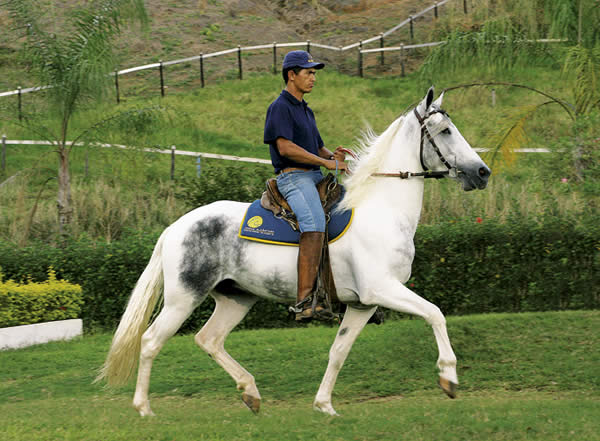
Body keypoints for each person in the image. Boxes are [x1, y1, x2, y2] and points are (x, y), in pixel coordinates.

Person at [263, 50, 347, 321]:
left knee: (347, 214)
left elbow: (318, 147)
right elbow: (285, 147)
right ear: (291, 75)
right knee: (313, 223)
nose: (313, 78)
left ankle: (345, 293)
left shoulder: (305, 110)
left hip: (313, 175)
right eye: (308, 72)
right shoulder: (280, 107)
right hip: (294, 178)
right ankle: (305, 302)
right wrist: (324, 164)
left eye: (314, 73)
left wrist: (333, 157)